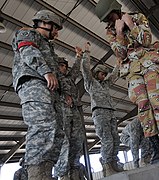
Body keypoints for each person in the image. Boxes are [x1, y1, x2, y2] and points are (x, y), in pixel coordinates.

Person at [95, 0, 159, 165]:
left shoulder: (138, 17)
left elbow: (146, 40)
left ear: (115, 9)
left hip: (149, 64)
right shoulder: (111, 31)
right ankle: (157, 149)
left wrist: (131, 25)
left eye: (109, 17)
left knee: (157, 101)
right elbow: (120, 53)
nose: (108, 21)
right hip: (132, 71)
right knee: (143, 106)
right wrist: (119, 32)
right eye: (105, 19)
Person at [12, 10, 65, 179]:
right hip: (33, 82)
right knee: (42, 126)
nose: (57, 33)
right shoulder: (27, 33)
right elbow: (28, 52)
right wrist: (46, 71)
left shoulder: (48, 46)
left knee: (57, 132)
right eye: (55, 28)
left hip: (50, 88)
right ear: (44, 22)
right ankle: (35, 174)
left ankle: (43, 172)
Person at [81, 42, 123, 177]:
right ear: (96, 73)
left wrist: (118, 64)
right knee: (107, 139)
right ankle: (106, 164)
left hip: (110, 112)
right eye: (101, 74)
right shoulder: (90, 82)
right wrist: (86, 53)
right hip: (99, 112)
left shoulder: (105, 84)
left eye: (105, 74)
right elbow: (85, 70)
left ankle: (114, 162)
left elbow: (114, 75)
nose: (104, 76)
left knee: (116, 139)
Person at [54, 53, 84, 179]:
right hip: (62, 111)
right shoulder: (54, 77)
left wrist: (79, 56)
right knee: (64, 143)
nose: (64, 68)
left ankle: (74, 170)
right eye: (61, 66)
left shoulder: (70, 78)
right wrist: (63, 96)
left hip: (74, 111)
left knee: (77, 140)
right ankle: (63, 174)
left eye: (65, 66)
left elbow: (76, 69)